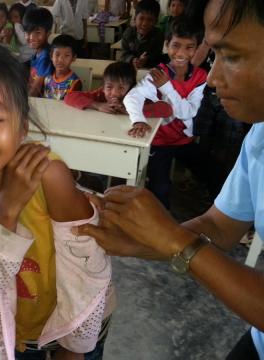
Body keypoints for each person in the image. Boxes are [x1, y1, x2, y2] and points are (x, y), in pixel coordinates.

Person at [73, 0, 264, 358]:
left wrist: (174, 240)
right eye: (216, 55)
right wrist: (142, 243)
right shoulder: (260, 137)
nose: (214, 77)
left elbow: (182, 110)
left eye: (232, 57)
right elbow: (219, 226)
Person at [0, 42, 115, 360]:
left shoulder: (48, 175)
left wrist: (75, 346)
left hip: (78, 319)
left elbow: (88, 268)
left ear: (22, 127)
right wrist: (8, 209)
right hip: (15, 327)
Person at [123, 18, 207, 208]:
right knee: (160, 189)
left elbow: (188, 112)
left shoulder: (200, 77)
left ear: (196, 49)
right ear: (166, 45)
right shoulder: (158, 74)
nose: (181, 53)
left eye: (189, 47)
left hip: (184, 140)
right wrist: (138, 120)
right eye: (176, 45)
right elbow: (131, 98)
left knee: (215, 173)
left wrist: (167, 88)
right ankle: (161, 222)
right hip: (159, 142)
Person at [121, 0, 164, 69]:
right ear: (135, 19)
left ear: (156, 21)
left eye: (150, 20)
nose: (145, 24)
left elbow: (157, 57)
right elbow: (123, 55)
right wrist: (133, 60)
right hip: (130, 69)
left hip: (149, 70)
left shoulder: (158, 35)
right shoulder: (128, 33)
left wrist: (146, 59)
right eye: (141, 18)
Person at [23, 7, 54, 97]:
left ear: (48, 34)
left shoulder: (46, 57)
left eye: (38, 32)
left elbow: (35, 90)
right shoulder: (37, 53)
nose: (32, 37)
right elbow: (31, 80)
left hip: (42, 102)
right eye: (28, 32)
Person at [43, 34, 81, 100]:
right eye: (57, 54)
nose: (60, 60)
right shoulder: (47, 77)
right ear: (51, 56)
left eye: (67, 55)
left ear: (73, 58)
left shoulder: (75, 83)